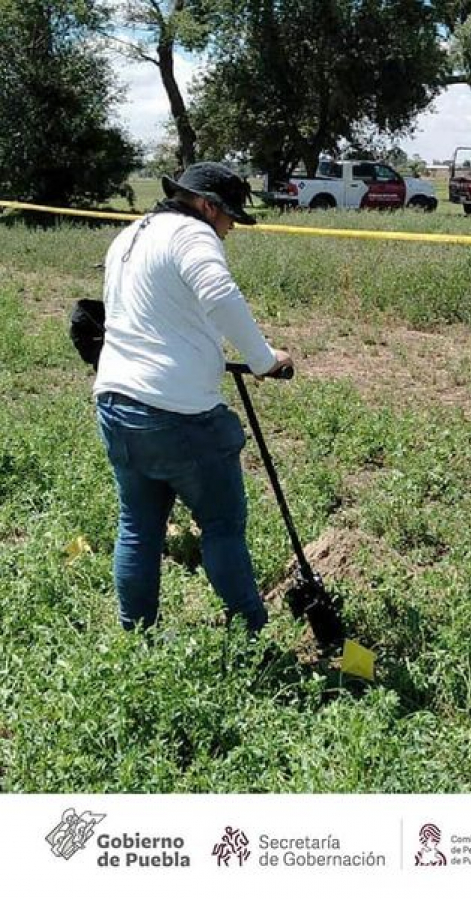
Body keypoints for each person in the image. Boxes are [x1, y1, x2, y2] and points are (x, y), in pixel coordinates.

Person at [94, 162, 293, 633]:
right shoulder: (191, 234)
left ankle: (136, 636)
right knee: (222, 526)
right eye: (228, 219)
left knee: (139, 527)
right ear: (207, 206)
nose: (228, 231)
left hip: (116, 404)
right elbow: (220, 295)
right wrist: (264, 359)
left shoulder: (131, 236)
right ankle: (252, 636)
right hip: (177, 414)